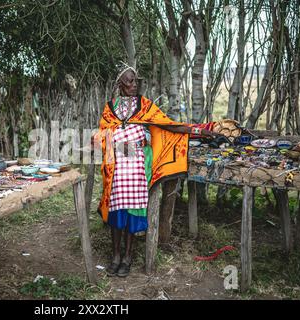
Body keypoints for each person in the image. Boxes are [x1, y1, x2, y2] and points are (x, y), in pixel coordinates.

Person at [94, 64, 222, 277]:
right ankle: (115, 255)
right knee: (117, 212)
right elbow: (103, 133)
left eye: (136, 81)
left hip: (136, 167)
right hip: (116, 167)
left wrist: (196, 130)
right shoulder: (110, 108)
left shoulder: (144, 105)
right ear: (119, 84)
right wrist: (105, 143)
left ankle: (127, 257)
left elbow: (168, 125)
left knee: (133, 211)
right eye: (129, 81)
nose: (134, 85)